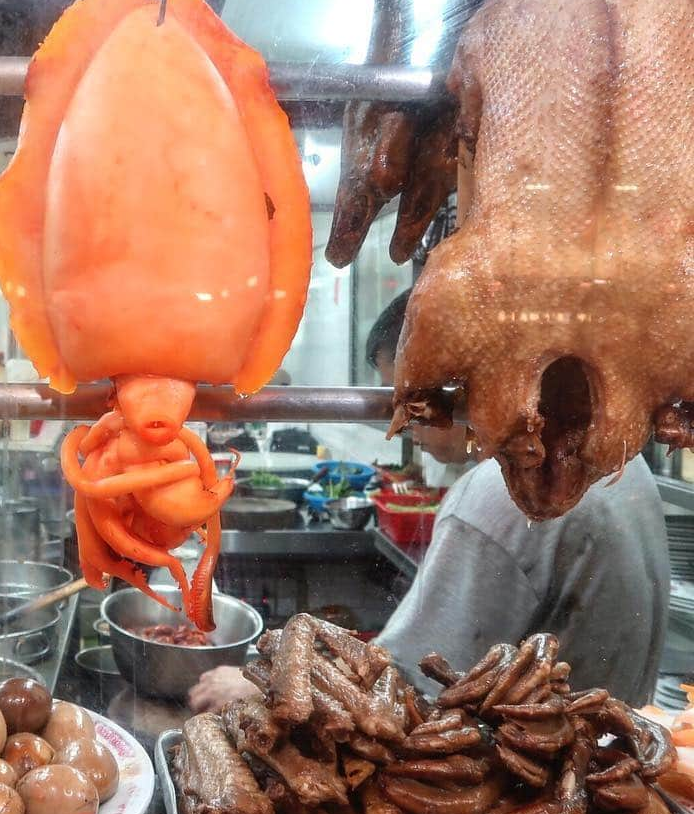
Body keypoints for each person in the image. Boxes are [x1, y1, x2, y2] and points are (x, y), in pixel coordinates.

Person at [189, 291, 670, 712]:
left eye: (409, 403)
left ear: (460, 384)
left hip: (520, 792)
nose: (399, 425)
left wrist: (262, 688)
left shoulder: (505, 493)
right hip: (609, 768)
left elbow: (408, 684)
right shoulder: (617, 465)